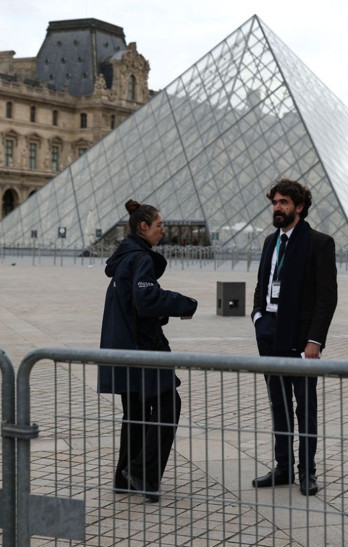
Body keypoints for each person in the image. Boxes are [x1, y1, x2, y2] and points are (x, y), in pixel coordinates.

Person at [98, 199, 198, 503]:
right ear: (144, 227)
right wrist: (184, 304)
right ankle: (143, 472)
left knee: (137, 413)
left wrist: (159, 313)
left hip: (121, 347)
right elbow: (146, 299)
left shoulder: (125, 257)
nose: (163, 231)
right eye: (159, 225)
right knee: (170, 405)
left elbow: (135, 304)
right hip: (142, 347)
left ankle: (124, 477)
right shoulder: (140, 258)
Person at [251, 178, 338, 496]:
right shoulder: (269, 242)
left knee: (306, 408)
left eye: (283, 202)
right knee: (279, 405)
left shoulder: (319, 243)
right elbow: (262, 284)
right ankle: (284, 466)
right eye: (274, 202)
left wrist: (315, 340)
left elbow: (327, 297)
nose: (277, 207)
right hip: (270, 333)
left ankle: (307, 471)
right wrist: (258, 316)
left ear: (299, 207)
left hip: (302, 339)